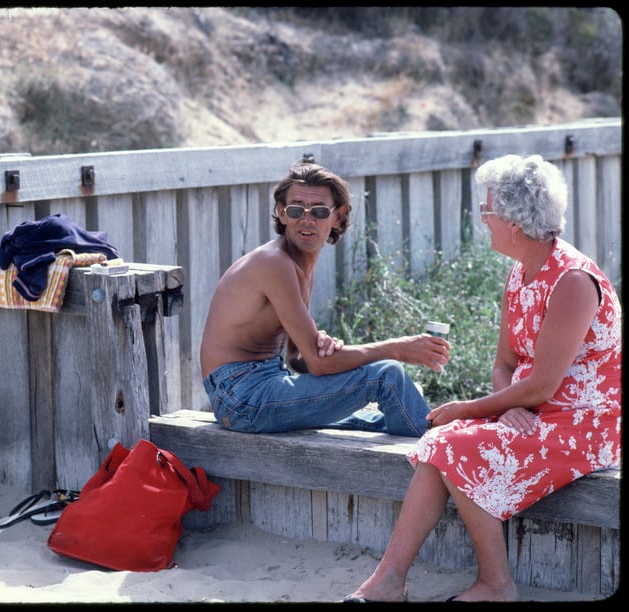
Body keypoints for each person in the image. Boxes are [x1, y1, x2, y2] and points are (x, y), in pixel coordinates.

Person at [344, 154, 622, 603]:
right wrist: (507, 405)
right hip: (533, 410)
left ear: (514, 220)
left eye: (486, 209)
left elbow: (544, 386)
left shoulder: (571, 280)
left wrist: (470, 409)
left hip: (582, 424)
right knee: (441, 443)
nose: (483, 219)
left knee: (450, 439)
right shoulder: (519, 273)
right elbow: (505, 363)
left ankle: (496, 584)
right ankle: (389, 581)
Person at [199, 161, 450, 437]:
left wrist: (327, 349)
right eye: (296, 210)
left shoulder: (299, 264)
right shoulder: (275, 264)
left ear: (338, 216)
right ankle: (437, 459)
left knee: (375, 421)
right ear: (282, 213)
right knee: (388, 376)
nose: (307, 220)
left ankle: (434, 446)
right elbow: (318, 365)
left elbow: (298, 358)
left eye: (319, 211)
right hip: (242, 398)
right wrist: (397, 348)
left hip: (265, 384)